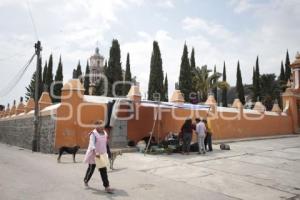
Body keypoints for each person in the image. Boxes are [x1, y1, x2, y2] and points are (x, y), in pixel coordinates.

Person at [83, 121, 114, 194]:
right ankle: (86, 180)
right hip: (94, 155)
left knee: (103, 170)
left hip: (102, 155)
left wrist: (108, 152)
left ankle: (107, 186)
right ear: (96, 126)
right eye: (99, 126)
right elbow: (91, 143)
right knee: (91, 169)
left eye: (102, 125)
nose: (101, 127)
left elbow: (106, 144)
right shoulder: (93, 134)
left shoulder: (105, 133)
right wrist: (95, 152)